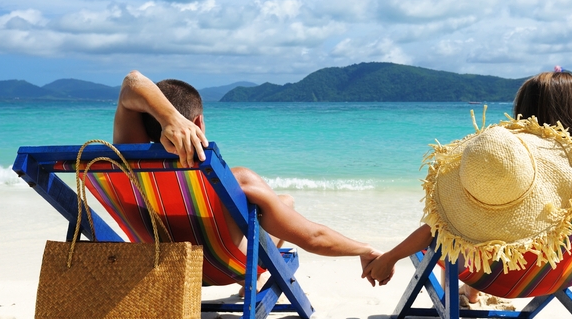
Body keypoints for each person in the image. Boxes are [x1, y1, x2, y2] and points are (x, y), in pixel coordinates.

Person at [113, 70, 381, 276]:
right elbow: (314, 237)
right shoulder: (236, 180)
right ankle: (259, 278)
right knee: (283, 201)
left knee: (277, 203)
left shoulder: (125, 169)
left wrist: (167, 117)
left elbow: (131, 83)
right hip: (227, 269)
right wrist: (365, 249)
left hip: (163, 267)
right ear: (197, 122)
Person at [362, 69, 572, 290]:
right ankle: (471, 294)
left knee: (452, 227)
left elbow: (438, 227)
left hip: (496, 274)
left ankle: (458, 294)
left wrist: (390, 257)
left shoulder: (510, 161)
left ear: (523, 108)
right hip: (566, 268)